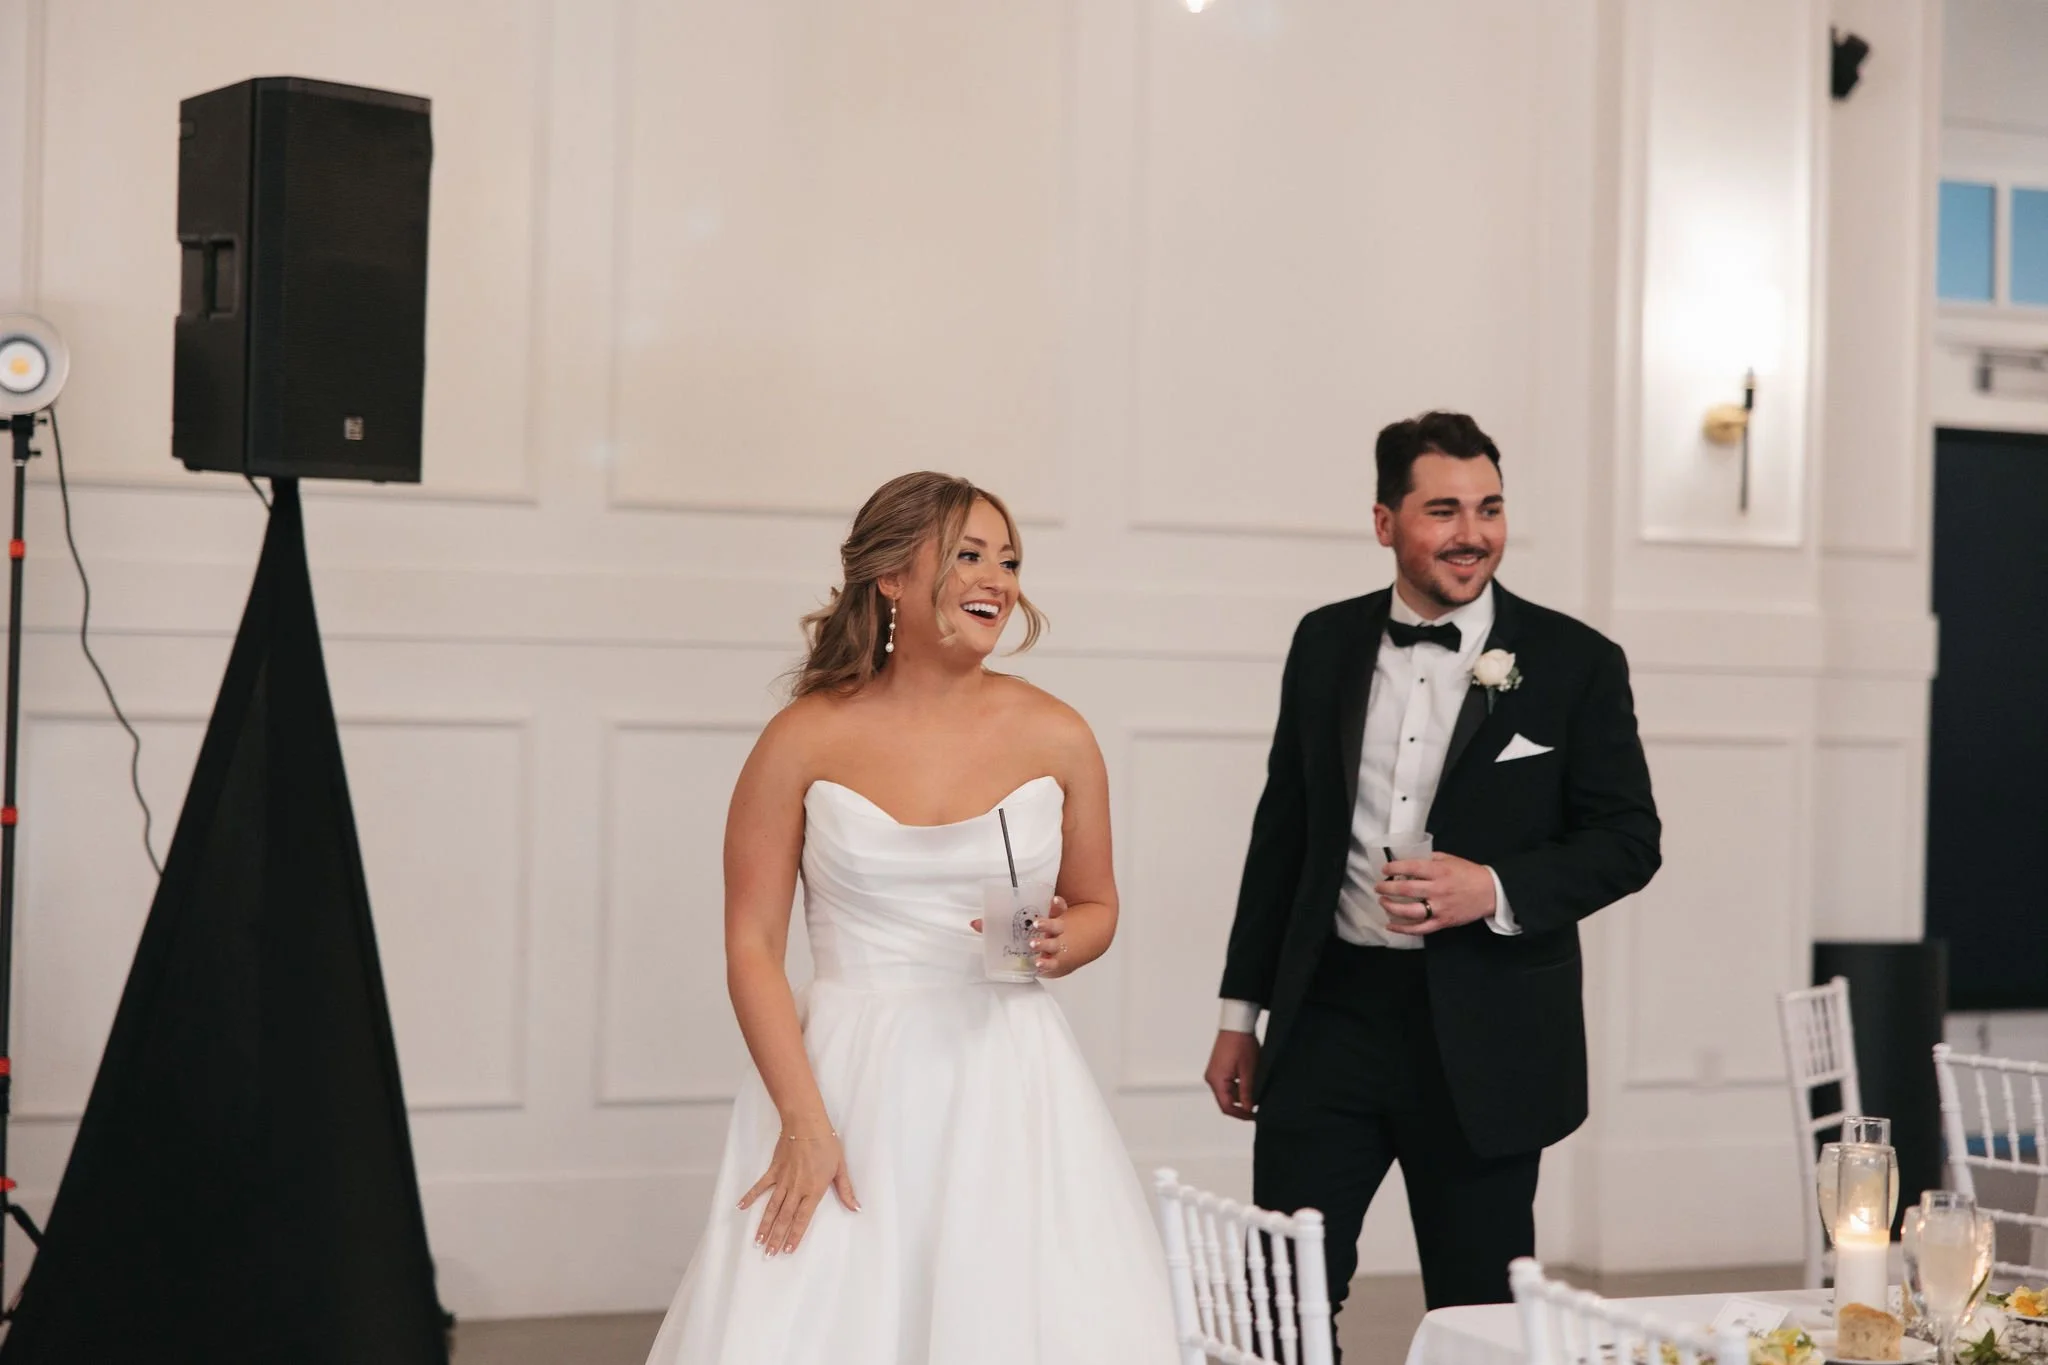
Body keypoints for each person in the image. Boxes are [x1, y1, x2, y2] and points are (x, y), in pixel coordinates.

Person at [646, 472, 1179, 1365]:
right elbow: (749, 946)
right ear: (890, 576)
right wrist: (805, 1122)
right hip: (845, 1075)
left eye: (1008, 560)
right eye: (969, 554)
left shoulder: (1060, 734)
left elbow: (1098, 906)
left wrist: (1063, 941)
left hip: (1007, 1073)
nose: (998, 580)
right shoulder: (802, 738)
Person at [1203, 412, 1661, 1344]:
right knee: (1282, 1294)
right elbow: (1281, 836)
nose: (1472, 533)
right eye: (1443, 509)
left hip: (1486, 1030)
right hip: (1328, 1013)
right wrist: (1238, 1016)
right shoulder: (1323, 643)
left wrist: (1491, 887)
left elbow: (1629, 837)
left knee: (1477, 1312)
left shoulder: (1575, 663)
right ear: (1385, 523)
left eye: (1490, 508)